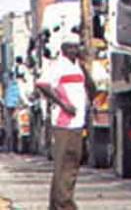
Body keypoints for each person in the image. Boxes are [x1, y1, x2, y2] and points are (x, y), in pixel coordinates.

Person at [35, 32, 95, 210]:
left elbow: (92, 88)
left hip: (77, 122)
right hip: (64, 123)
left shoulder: (77, 66)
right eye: (69, 47)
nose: (73, 50)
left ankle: (55, 205)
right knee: (67, 164)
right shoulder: (58, 65)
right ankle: (65, 204)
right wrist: (63, 104)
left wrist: (83, 66)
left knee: (68, 164)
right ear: (62, 49)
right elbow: (43, 84)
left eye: (76, 47)